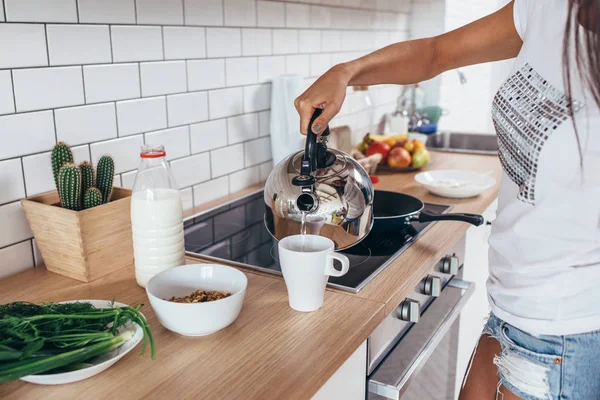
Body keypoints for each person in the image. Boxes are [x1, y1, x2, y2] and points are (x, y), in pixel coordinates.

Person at [294, 1, 600, 399]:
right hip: (510, 308)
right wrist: (346, 73)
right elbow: (437, 52)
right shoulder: (547, 7)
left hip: (566, 330)